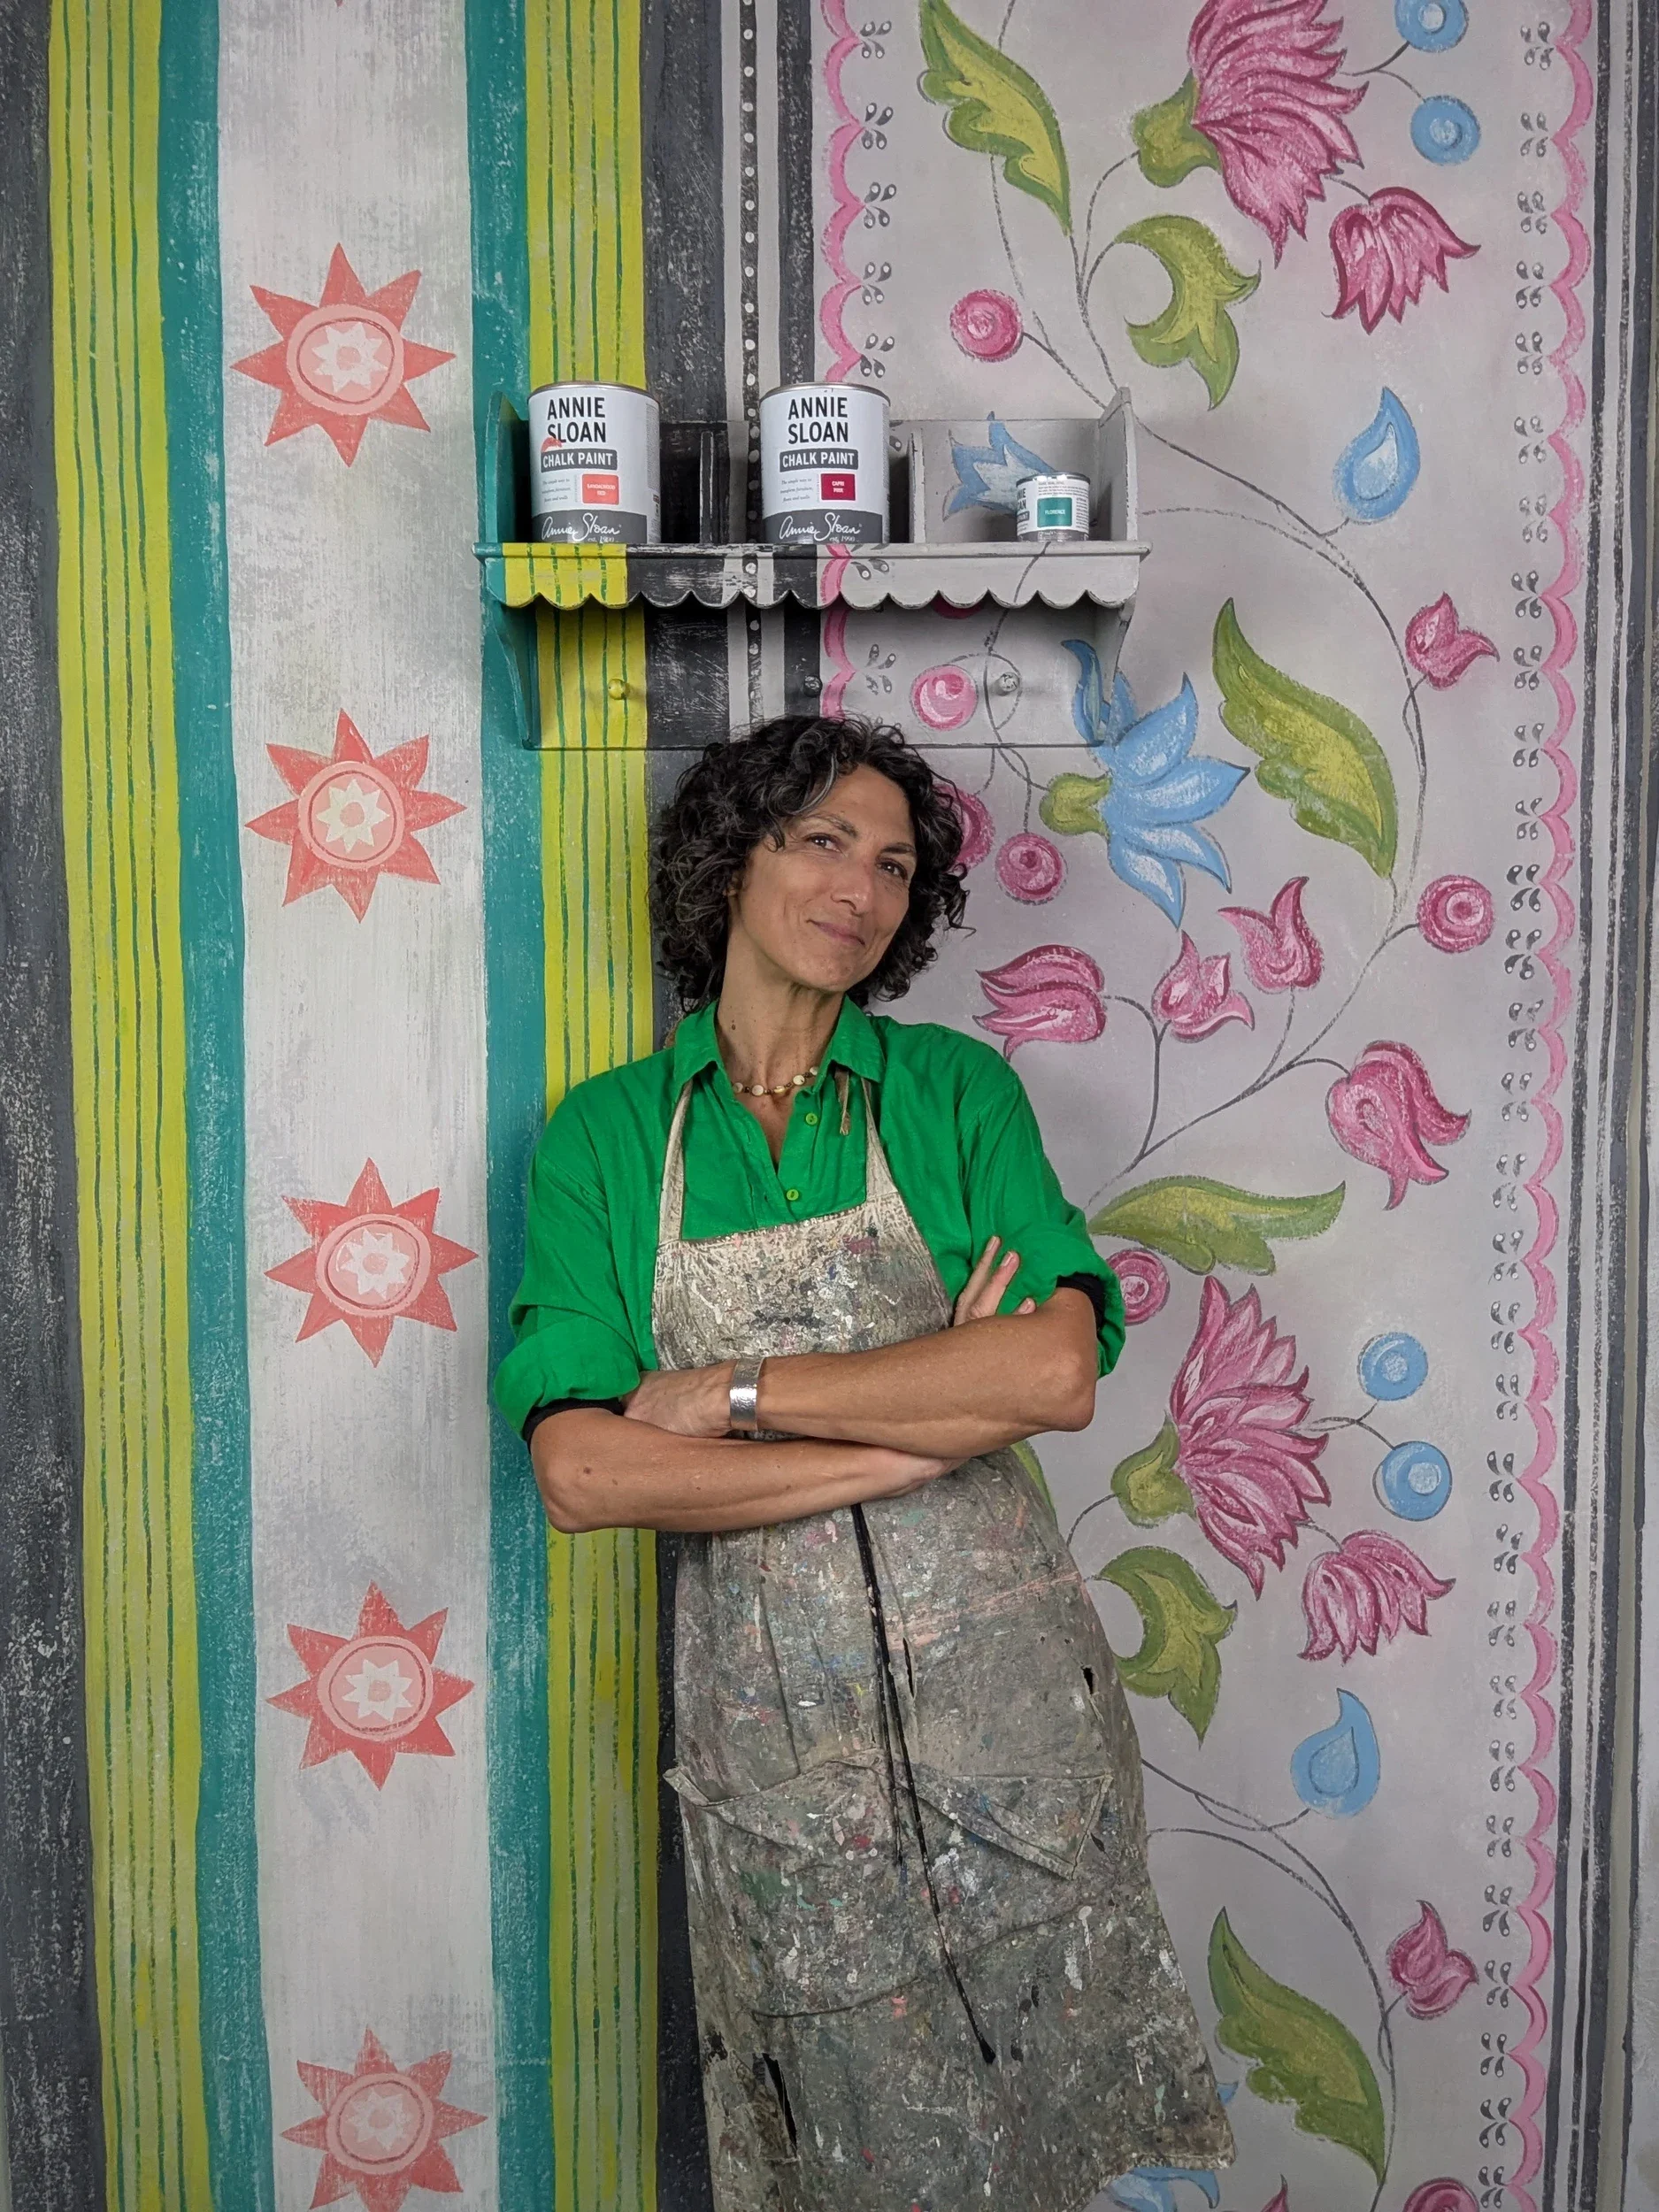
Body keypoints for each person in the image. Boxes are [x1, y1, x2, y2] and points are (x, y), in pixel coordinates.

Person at [496, 715, 1233, 2212]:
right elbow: (584, 1475)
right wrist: (909, 1436)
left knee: (1043, 2134)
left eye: (895, 862)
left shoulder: (953, 1094)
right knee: (851, 2151)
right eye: (822, 840)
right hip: (779, 1747)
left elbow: (1049, 1371)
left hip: (1014, 1716)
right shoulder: (609, 1137)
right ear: (730, 864)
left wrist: (730, 1394)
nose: (863, 886)